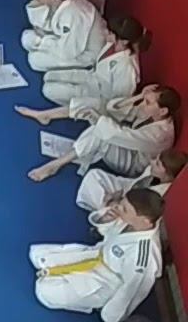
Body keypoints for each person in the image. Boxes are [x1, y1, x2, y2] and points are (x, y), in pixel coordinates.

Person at [30, 187, 164, 322]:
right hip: (96, 256)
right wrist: (106, 219)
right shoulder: (132, 222)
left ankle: (90, 302)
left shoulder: (142, 258)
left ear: (144, 221)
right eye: (121, 203)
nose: (118, 208)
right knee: (38, 255)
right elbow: (106, 233)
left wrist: (111, 315)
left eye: (124, 209)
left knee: (44, 292)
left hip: (105, 281)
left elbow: (131, 292)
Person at [17, 85, 179, 180]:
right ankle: (45, 115)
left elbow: (119, 135)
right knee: (95, 104)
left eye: (148, 102)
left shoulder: (159, 135)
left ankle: (55, 165)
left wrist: (98, 119)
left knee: (98, 132)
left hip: (132, 163)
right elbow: (113, 108)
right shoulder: (153, 113)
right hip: (127, 141)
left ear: (163, 111)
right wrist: (138, 97)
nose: (143, 105)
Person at [40, 15, 147, 106]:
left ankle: (74, 109)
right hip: (92, 77)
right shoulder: (112, 43)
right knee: (49, 76)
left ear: (124, 41)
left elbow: (119, 100)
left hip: (98, 96)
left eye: (110, 33)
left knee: (48, 90)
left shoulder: (127, 67)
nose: (106, 33)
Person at [77, 150, 186, 235]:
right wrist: (119, 193)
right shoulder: (152, 170)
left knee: (112, 211)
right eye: (155, 159)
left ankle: (104, 212)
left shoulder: (161, 195)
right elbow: (133, 183)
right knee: (94, 175)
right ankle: (103, 208)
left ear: (167, 174)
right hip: (126, 193)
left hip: (127, 212)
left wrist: (113, 202)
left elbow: (133, 212)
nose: (152, 162)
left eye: (157, 164)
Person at [21, 0, 107, 72]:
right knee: (30, 39)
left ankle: (80, 68)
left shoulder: (73, 16)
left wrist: (40, 42)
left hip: (85, 53)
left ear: (54, 0)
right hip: (73, 40)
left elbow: (69, 52)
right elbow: (54, 22)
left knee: (34, 59)